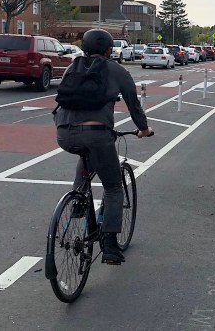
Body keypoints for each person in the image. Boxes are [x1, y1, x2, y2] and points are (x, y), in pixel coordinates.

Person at [54, 29, 153, 264]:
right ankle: (109, 245)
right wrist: (144, 128)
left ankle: (78, 201)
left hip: (63, 133)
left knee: (85, 153)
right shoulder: (117, 70)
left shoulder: (72, 66)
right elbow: (133, 104)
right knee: (113, 188)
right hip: (97, 134)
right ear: (109, 50)